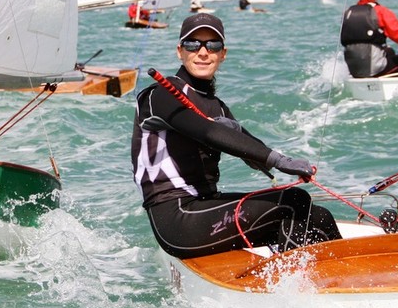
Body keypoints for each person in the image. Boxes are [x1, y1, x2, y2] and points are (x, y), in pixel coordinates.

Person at [131, 13, 342, 258]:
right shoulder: (161, 95)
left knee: (317, 215)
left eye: (212, 45)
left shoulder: (218, 107)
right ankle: (298, 285)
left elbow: (250, 147)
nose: (202, 52)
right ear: (180, 51)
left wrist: (272, 161)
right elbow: (207, 132)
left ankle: (343, 276)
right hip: (175, 219)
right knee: (292, 201)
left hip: (207, 205)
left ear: (223, 54)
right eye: (193, 44)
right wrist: (279, 161)